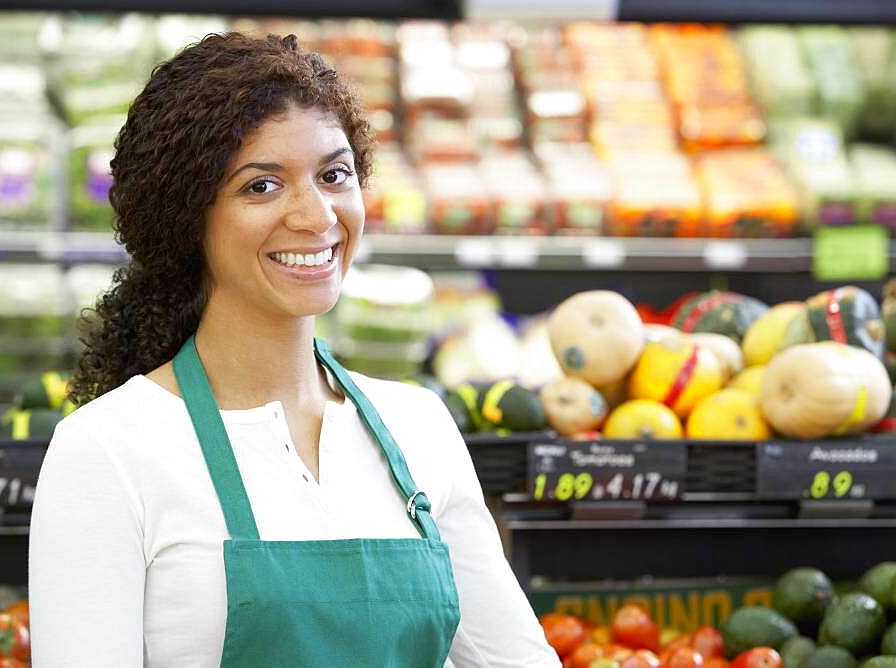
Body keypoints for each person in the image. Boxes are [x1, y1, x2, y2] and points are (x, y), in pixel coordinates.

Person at [28, 32, 558, 667]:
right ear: (186, 217)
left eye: (335, 175)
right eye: (262, 186)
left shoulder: (418, 428)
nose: (316, 216)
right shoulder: (109, 449)